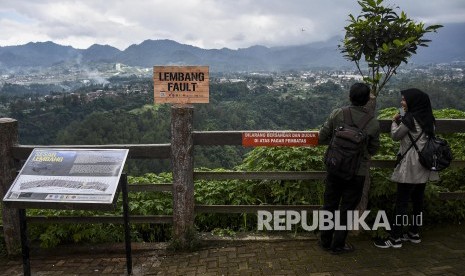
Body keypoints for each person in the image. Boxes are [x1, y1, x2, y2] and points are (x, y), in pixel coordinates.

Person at [318, 82, 380, 254]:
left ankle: (325, 241)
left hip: (335, 167)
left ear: (349, 96)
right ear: (367, 100)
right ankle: (338, 245)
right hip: (357, 172)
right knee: (347, 208)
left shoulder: (338, 113)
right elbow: (374, 149)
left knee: (330, 204)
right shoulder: (373, 123)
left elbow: (322, 136)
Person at [374, 88, 439, 249]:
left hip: (410, 165)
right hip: (424, 164)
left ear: (413, 102)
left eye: (404, 100)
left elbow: (396, 136)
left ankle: (395, 238)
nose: (402, 103)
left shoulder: (409, 119)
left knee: (401, 203)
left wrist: (394, 121)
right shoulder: (429, 119)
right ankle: (414, 233)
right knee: (418, 201)